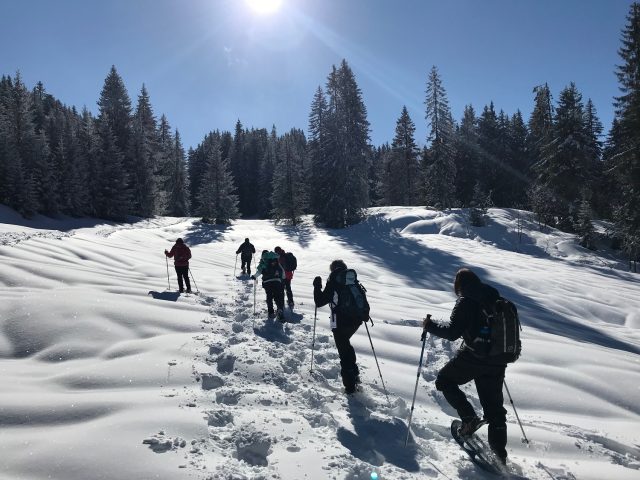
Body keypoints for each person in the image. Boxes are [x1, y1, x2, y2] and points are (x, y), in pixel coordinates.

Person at [422, 268, 508, 464]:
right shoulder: (495, 298)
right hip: (498, 359)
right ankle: (500, 456)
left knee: (445, 380)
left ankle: (468, 418)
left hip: (475, 357)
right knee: (495, 410)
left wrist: (430, 326)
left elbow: (452, 333)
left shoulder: (466, 300)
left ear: (459, 284)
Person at [313, 260, 362, 394]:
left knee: (343, 351)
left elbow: (319, 302)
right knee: (346, 344)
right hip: (356, 320)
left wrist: (317, 286)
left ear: (333, 270)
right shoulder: (352, 280)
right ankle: (355, 373)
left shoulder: (334, 281)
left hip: (340, 321)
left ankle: (350, 387)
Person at [251, 250, 286, 321]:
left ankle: (271, 312)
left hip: (267, 282)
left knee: (269, 296)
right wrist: (282, 278)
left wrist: (254, 276)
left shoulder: (263, 262)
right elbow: (282, 271)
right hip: (277, 281)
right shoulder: (276, 261)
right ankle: (279, 309)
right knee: (277, 296)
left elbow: (259, 271)